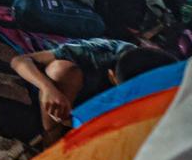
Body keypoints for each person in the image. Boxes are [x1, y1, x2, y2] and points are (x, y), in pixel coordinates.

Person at [11, 42, 175, 141]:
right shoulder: (97, 52)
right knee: (61, 71)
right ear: (111, 75)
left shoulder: (162, 74)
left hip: (109, 112)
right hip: (75, 94)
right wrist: (48, 88)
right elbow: (20, 61)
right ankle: (51, 139)